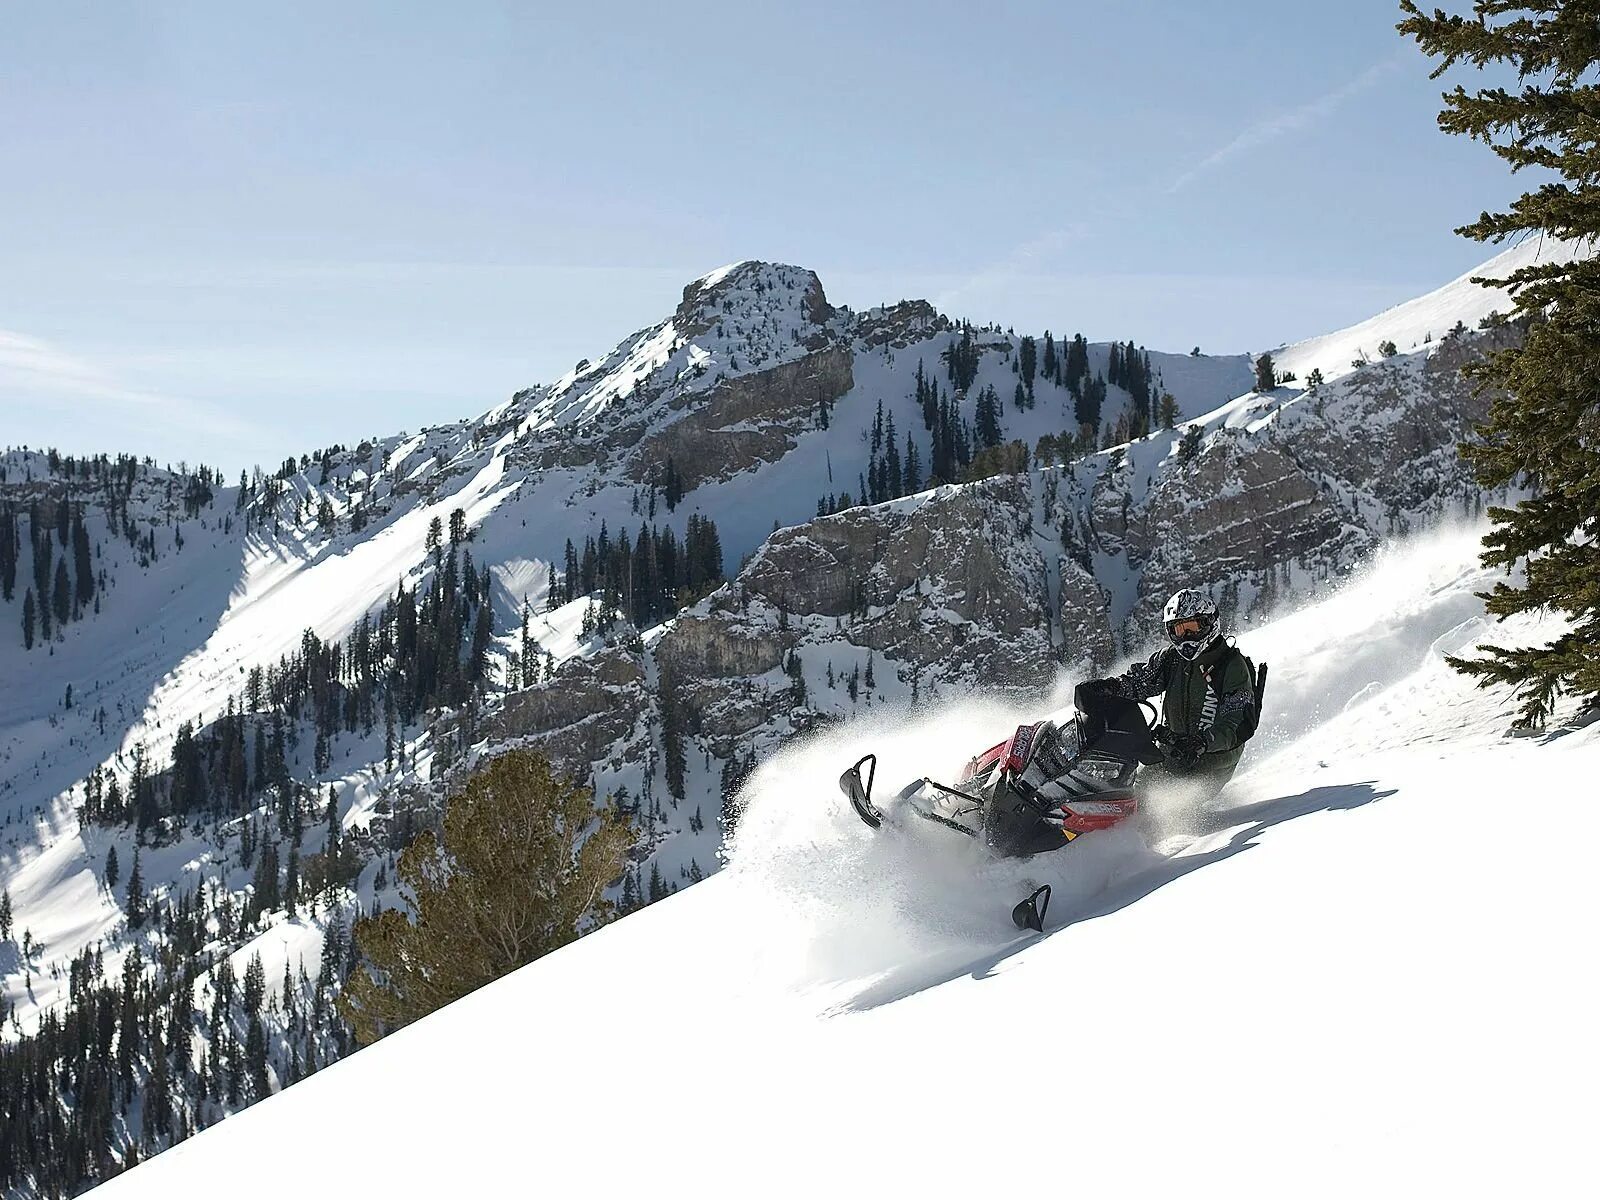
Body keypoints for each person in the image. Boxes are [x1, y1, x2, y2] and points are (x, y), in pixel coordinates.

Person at [1078, 588, 1258, 795]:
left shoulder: (1232, 666)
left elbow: (1237, 722)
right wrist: (1111, 687)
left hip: (1211, 762)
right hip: (1173, 752)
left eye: (1192, 627)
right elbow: (1141, 681)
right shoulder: (1172, 658)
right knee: (1125, 794)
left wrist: (1203, 742)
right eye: (1178, 630)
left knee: (1162, 810)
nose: (1186, 636)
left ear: (1209, 623)